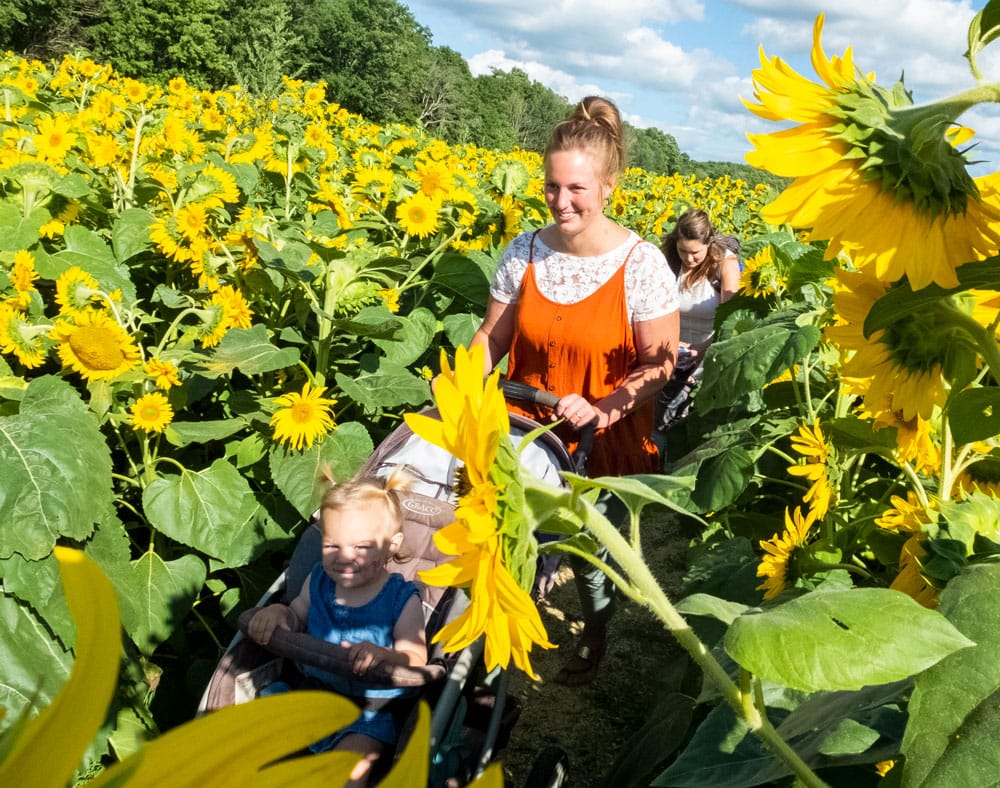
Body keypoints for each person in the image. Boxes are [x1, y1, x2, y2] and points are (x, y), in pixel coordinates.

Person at [470, 96, 679, 686]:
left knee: (591, 553)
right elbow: (492, 335)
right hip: (522, 426)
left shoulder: (640, 265)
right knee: (502, 530)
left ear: (609, 186)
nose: (562, 202)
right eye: (552, 188)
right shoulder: (525, 251)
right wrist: (462, 379)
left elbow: (658, 366)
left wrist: (603, 405)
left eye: (577, 189)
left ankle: (594, 631)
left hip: (602, 435)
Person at [247, 469, 427, 787]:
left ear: (391, 545)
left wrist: (384, 655)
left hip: (371, 711)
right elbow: (296, 615)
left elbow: (415, 658)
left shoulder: (401, 597)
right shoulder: (318, 580)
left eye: (361, 547)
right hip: (313, 693)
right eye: (332, 546)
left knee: (348, 773)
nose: (345, 556)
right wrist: (277, 612)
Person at [655, 208, 741, 435]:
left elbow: (729, 321)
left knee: (688, 418)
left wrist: (701, 350)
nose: (689, 258)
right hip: (672, 347)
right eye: (683, 250)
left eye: (695, 253)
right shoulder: (670, 262)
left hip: (711, 351)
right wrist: (671, 343)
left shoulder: (724, 264)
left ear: (709, 245)